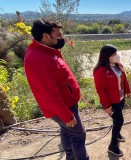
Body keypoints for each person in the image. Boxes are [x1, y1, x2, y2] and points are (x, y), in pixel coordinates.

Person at [24, 19, 89, 160]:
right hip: (63, 107)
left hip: (67, 103)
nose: (61, 38)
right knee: (78, 135)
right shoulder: (39, 58)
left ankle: (70, 157)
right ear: (46, 36)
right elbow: (49, 93)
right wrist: (66, 115)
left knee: (67, 132)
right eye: (58, 35)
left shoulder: (45, 51)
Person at [93, 44, 131, 157]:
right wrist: (106, 106)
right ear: (107, 56)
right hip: (112, 102)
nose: (117, 56)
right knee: (119, 121)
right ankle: (113, 146)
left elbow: (124, 79)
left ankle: (117, 133)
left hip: (121, 98)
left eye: (116, 53)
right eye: (114, 54)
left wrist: (127, 91)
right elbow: (101, 90)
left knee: (117, 120)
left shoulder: (119, 65)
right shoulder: (100, 70)